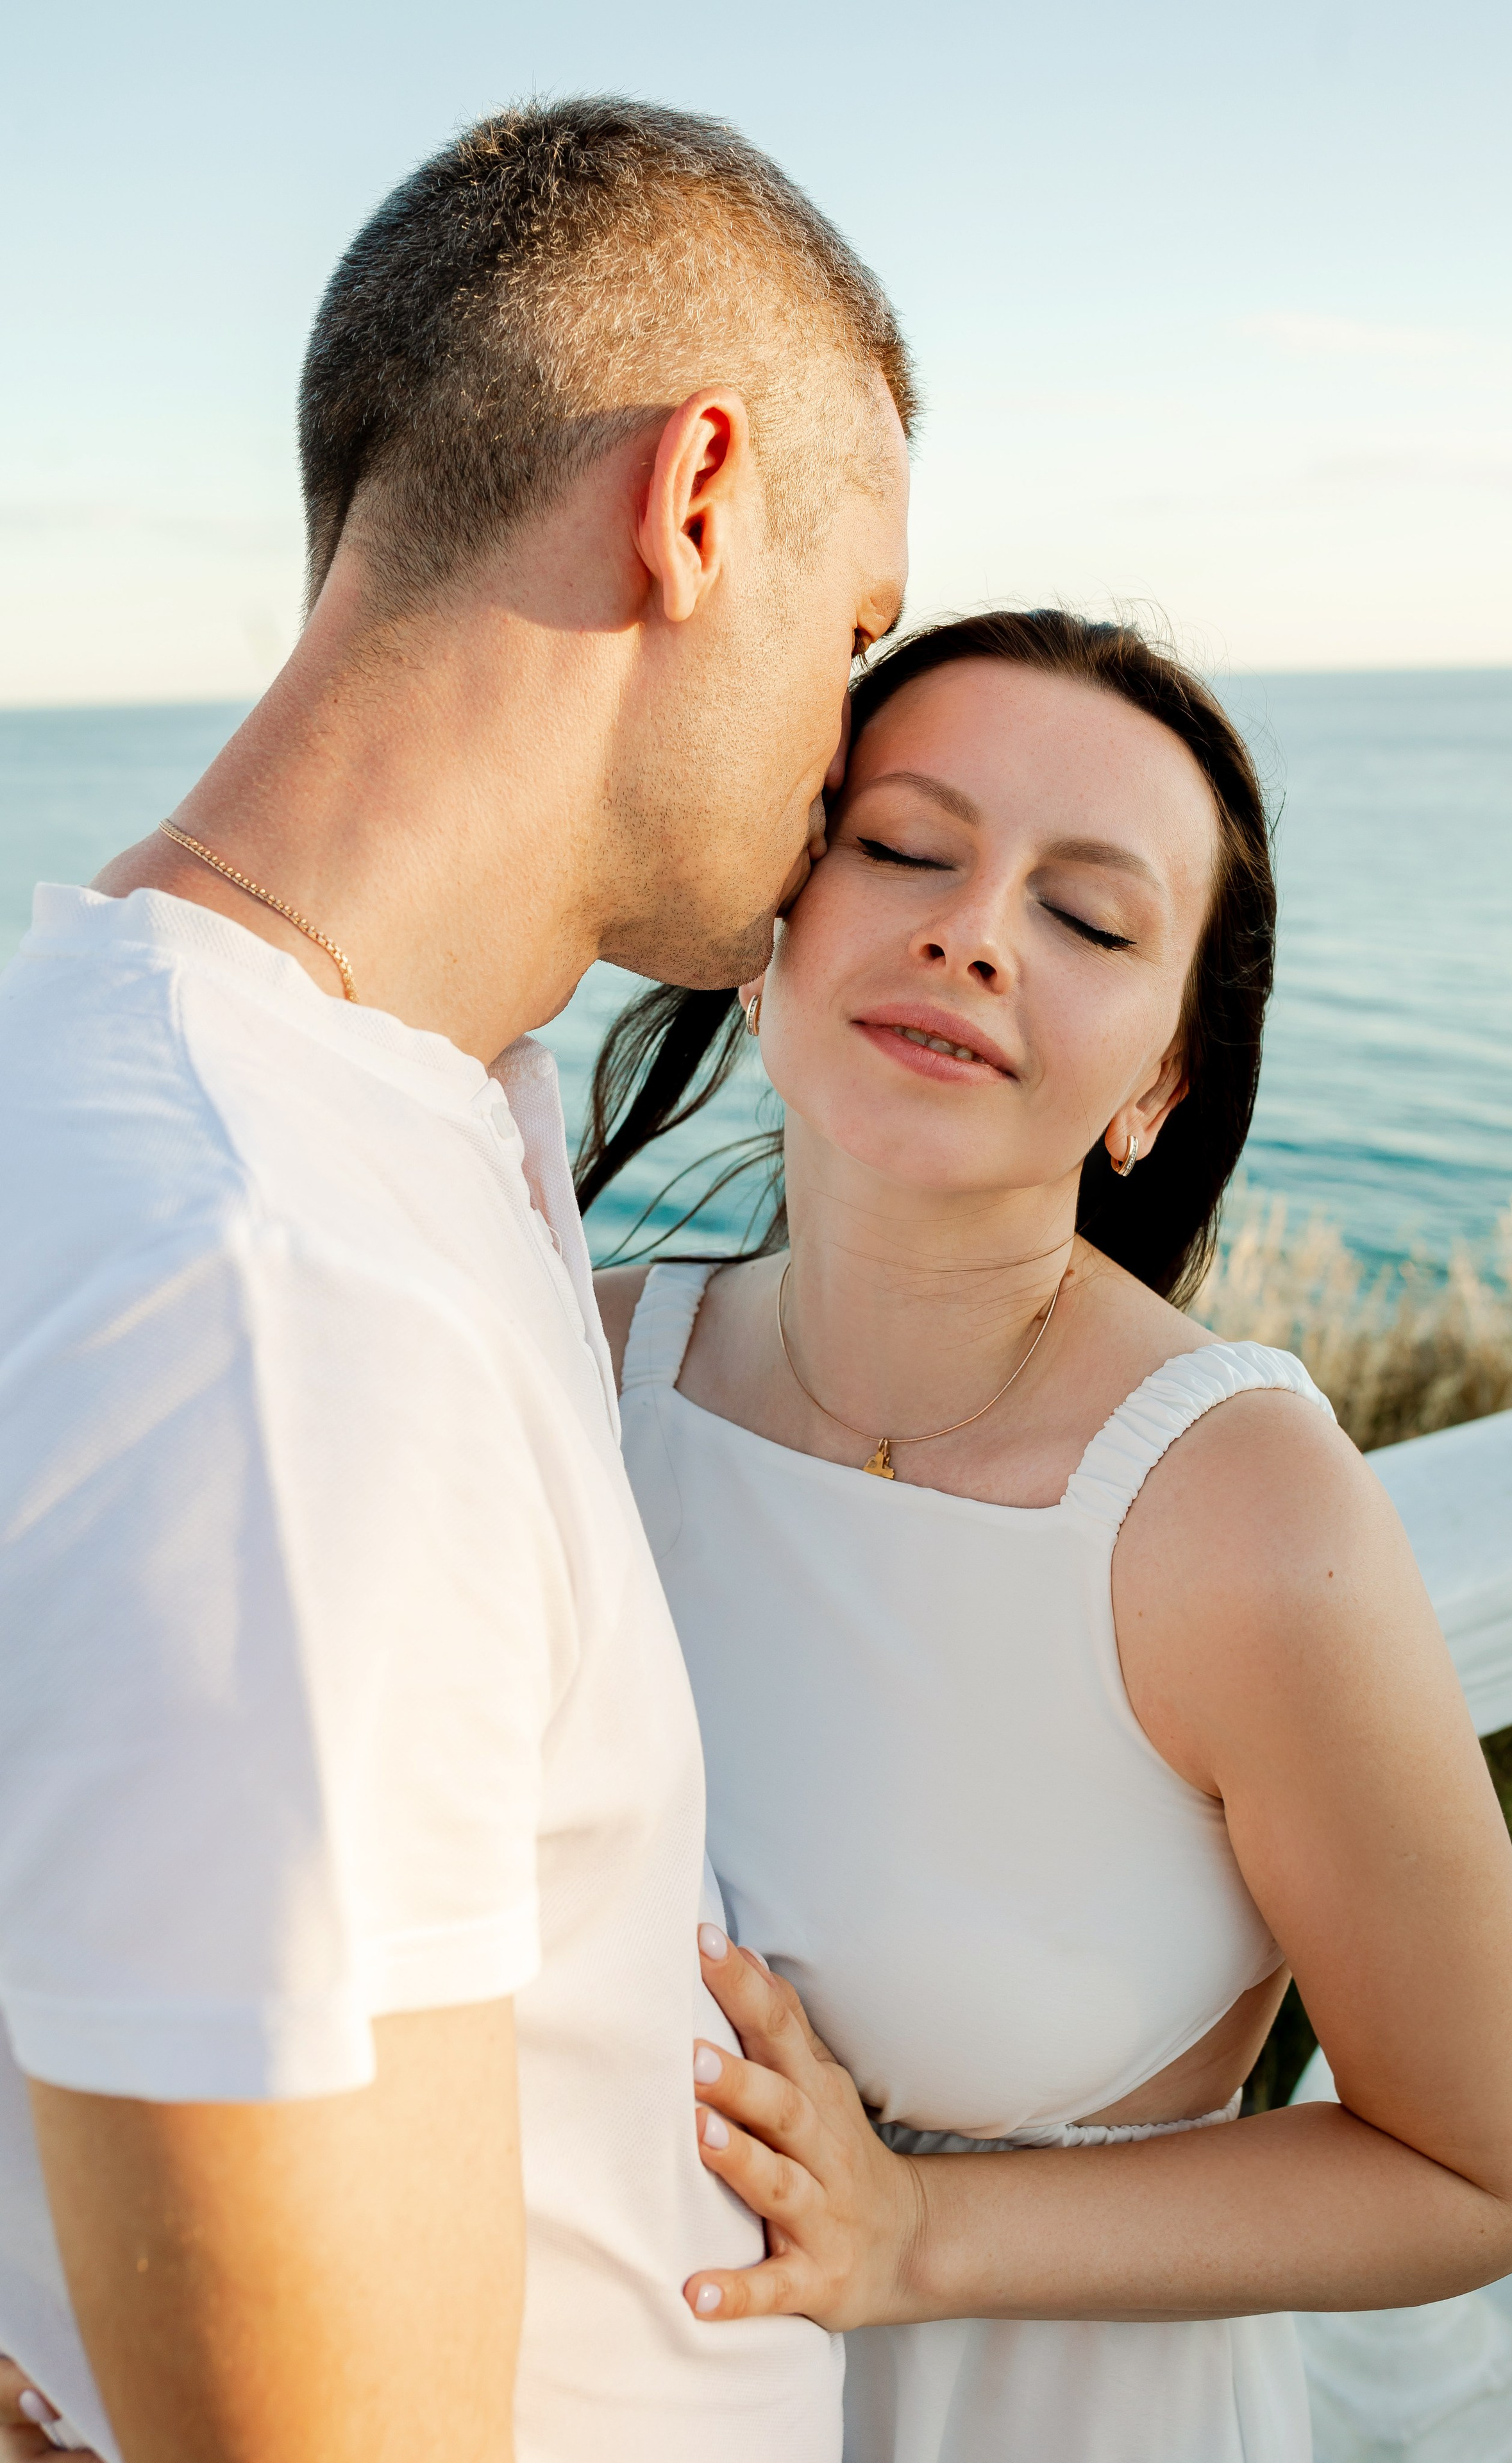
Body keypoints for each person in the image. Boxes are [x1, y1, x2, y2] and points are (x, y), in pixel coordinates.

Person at [0, 98, 910, 2463]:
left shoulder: (256, 1085)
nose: (850, 751)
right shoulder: (279, 1293)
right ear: (696, 500)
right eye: (857, 628)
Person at [588, 611, 1512, 2461]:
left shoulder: (1241, 1517)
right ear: (767, 926)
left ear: (1158, 1087)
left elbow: (1484, 2167)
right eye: (904, 846)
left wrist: (918, 2235)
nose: (974, 930)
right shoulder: (577, 1360)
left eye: (1091, 918)